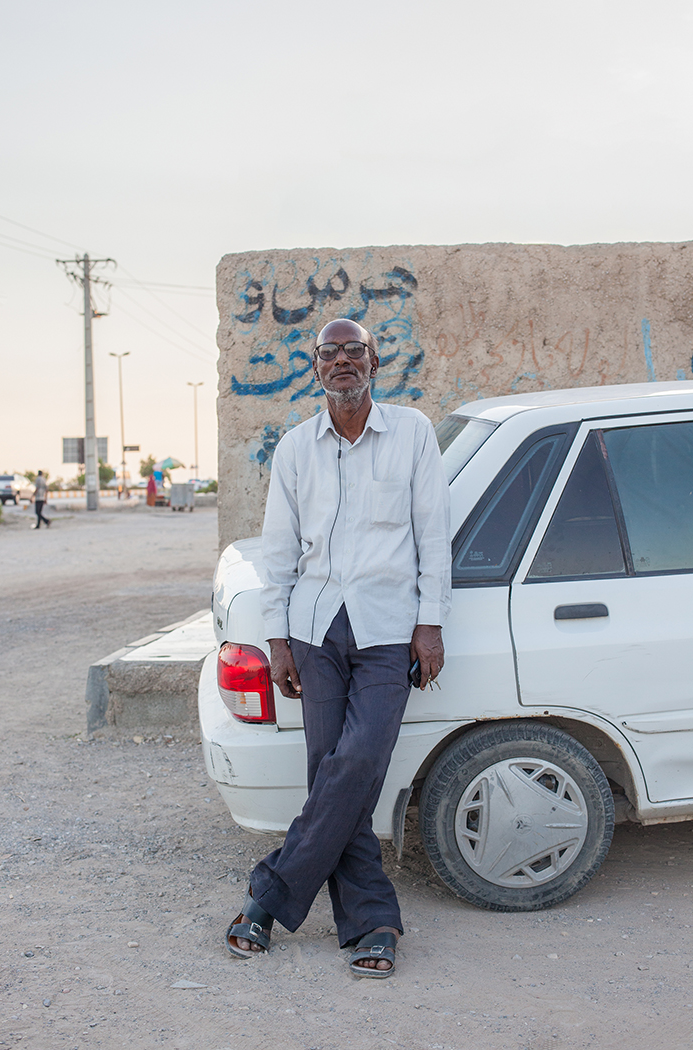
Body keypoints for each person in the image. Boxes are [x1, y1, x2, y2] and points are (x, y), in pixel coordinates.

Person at [226, 317, 452, 978]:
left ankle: (266, 896)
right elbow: (279, 550)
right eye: (331, 353)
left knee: (352, 763)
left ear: (374, 363)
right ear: (317, 366)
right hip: (315, 628)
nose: (343, 362)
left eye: (355, 351)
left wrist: (430, 621)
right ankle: (372, 924)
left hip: (388, 629)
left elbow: (433, 534)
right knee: (331, 772)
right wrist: (278, 643)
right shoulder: (296, 449)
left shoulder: (412, 432)